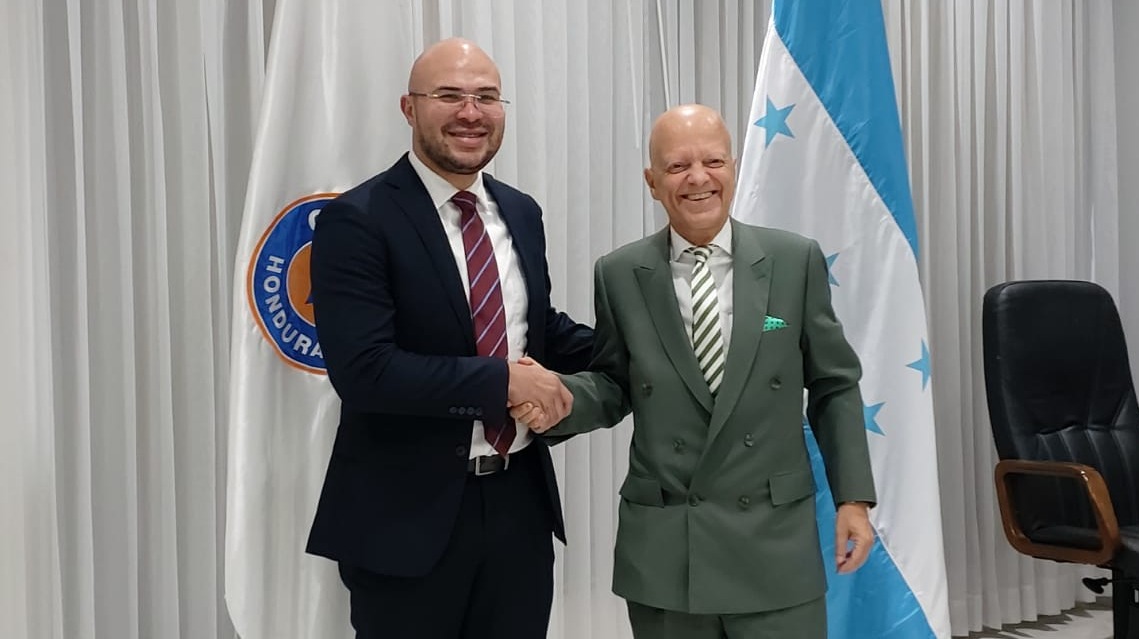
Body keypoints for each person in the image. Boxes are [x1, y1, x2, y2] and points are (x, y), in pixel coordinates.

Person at [514, 104, 876, 638]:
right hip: (667, 550)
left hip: (774, 546)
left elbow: (833, 386)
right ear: (652, 182)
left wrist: (853, 498)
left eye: (713, 161)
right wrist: (559, 400)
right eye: (678, 166)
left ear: (734, 168)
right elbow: (614, 383)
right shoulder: (620, 273)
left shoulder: (794, 261)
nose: (699, 178)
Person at [306, 37, 593, 638]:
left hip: (519, 509)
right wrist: (502, 382)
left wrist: (650, 346)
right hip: (403, 522)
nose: (471, 113)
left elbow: (537, 330)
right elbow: (366, 371)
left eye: (486, 97)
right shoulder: (356, 220)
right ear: (409, 108)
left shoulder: (521, 212)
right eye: (450, 96)